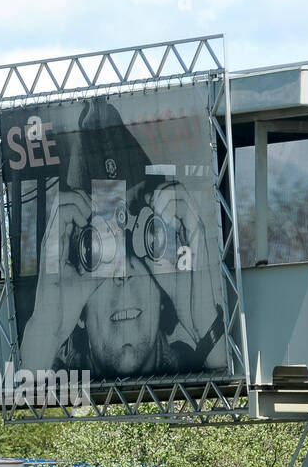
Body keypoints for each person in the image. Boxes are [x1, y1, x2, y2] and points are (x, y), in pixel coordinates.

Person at [17, 96, 225, 379]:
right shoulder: (53, 382)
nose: (123, 275)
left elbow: (239, 386)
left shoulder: (207, 358)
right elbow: (24, 399)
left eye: (146, 244)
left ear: (164, 292)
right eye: (96, 250)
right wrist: (47, 332)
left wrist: (203, 322)